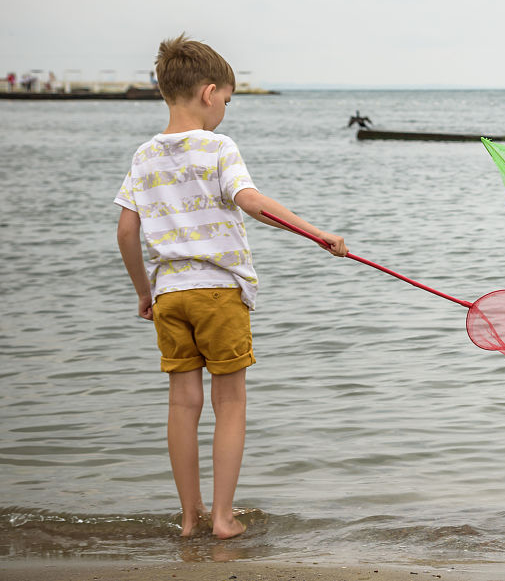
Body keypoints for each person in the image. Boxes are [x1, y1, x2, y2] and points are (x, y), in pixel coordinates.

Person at [115, 33, 348, 539]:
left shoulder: (144, 156)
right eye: (226, 99)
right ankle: (222, 519)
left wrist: (143, 291)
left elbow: (127, 231)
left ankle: (189, 517)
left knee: (181, 404)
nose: (225, 109)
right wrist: (317, 233)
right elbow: (252, 202)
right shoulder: (218, 147)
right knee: (231, 403)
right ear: (208, 91)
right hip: (218, 292)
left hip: (170, 295)